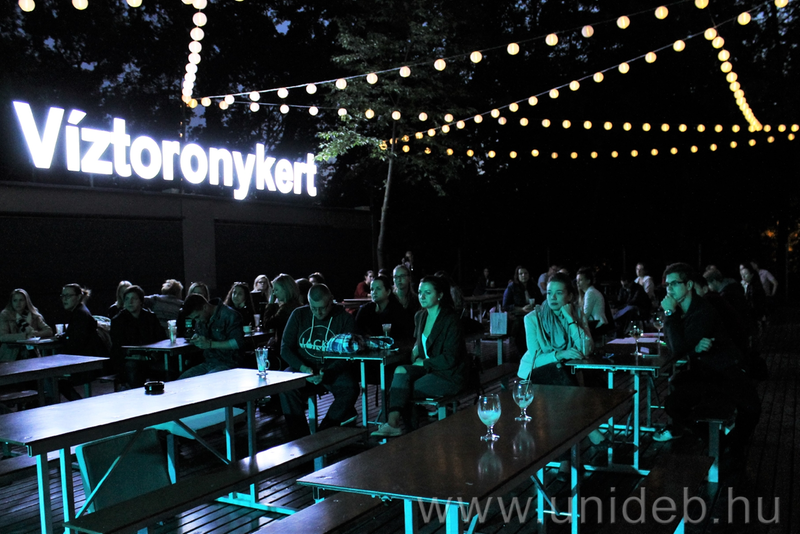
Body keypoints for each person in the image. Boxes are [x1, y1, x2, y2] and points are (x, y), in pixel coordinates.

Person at [654, 263, 761, 461]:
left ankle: (725, 445)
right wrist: (691, 347)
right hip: (706, 372)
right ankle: (717, 441)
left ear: (688, 285)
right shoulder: (684, 310)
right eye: (667, 285)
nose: (669, 289)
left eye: (675, 284)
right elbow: (676, 343)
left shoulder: (702, 311)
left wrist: (670, 315)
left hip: (725, 373)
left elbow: (677, 348)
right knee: (674, 400)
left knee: (750, 409)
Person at [372, 275, 470, 437]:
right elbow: (420, 342)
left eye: (427, 292)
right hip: (429, 368)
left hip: (449, 374)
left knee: (403, 390)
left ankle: (409, 432)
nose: (422, 296)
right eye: (419, 292)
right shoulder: (420, 316)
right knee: (400, 371)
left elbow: (450, 358)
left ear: (440, 295)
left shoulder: (450, 320)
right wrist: (416, 349)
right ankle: (393, 424)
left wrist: (424, 363)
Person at [279, 284, 359, 439]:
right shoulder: (299, 314)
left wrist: (328, 371)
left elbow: (349, 353)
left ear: (331, 301)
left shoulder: (344, 318)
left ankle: (323, 434)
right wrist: (303, 368)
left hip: (331, 369)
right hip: (303, 368)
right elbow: (285, 348)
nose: (318, 312)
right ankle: (300, 438)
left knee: (350, 388)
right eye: (313, 308)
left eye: (322, 308)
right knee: (285, 386)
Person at [517, 272, 593, 385]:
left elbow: (586, 349)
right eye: (549, 293)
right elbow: (536, 360)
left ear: (569, 296)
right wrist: (561, 354)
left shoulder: (577, 314)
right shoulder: (532, 318)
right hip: (534, 374)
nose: (553, 297)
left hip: (565, 373)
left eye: (559, 293)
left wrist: (570, 319)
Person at [110, 285, 167, 389]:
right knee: (134, 367)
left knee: (167, 367)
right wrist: (137, 355)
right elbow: (118, 347)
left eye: (134, 299)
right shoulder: (118, 321)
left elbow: (161, 338)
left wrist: (155, 354)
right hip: (129, 359)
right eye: (127, 299)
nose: (130, 302)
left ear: (141, 301)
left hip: (150, 357)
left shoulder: (150, 317)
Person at [180, 294, 245, 378]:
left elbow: (237, 343)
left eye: (197, 317)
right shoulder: (201, 319)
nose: (197, 321)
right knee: (181, 381)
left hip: (229, 364)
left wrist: (210, 344)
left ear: (205, 307)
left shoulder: (230, 315)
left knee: (207, 380)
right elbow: (200, 334)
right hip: (209, 363)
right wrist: (197, 338)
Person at [60, 284, 105, 400]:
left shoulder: (80, 314)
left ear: (79, 297)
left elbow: (76, 342)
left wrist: (64, 339)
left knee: (55, 379)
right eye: (63, 296)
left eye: (68, 296)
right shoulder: (79, 312)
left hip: (87, 362)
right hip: (87, 359)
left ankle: (78, 403)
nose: (64, 299)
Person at [355, 274, 414, 344]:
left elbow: (406, 335)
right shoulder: (365, 310)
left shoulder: (398, 311)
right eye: (372, 289)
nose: (374, 292)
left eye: (378, 289)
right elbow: (356, 331)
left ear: (388, 292)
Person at [0, 288, 54, 361]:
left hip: (31, 354)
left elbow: (48, 331)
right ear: (11, 302)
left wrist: (34, 334)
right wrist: (25, 336)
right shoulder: (5, 315)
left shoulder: (33, 314)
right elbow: (2, 337)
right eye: (15, 300)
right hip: (11, 355)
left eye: (21, 300)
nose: (18, 303)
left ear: (26, 301)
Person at [261, 274, 302, 349]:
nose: (274, 293)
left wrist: (270, 303)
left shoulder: (286, 309)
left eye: (276, 290)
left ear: (285, 289)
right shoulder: (297, 305)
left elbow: (268, 324)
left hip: (285, 347)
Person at [503, 266, 538, 354]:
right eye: (521, 274)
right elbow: (505, 306)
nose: (523, 275)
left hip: (533, 313)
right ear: (517, 276)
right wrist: (521, 309)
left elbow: (540, 300)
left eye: (525, 273)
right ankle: (523, 353)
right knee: (521, 327)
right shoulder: (512, 287)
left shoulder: (533, 286)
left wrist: (535, 306)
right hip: (518, 316)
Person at [576, 267, 608, 337]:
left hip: (597, 325)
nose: (577, 282)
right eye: (577, 280)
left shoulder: (590, 293)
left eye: (580, 280)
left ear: (588, 281)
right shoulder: (590, 292)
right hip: (597, 325)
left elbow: (586, 314)